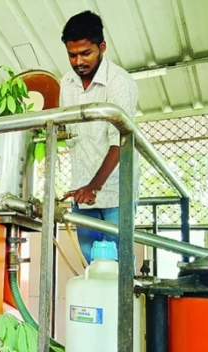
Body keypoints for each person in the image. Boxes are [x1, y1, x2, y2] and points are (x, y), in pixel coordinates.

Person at [60, 11, 140, 264]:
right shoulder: (67, 82)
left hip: (116, 190)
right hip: (82, 191)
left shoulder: (119, 83)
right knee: (93, 265)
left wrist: (94, 185)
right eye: (72, 55)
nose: (78, 61)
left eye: (86, 53)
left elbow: (120, 141)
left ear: (102, 47)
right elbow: (67, 130)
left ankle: (124, 303)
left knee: (117, 264)